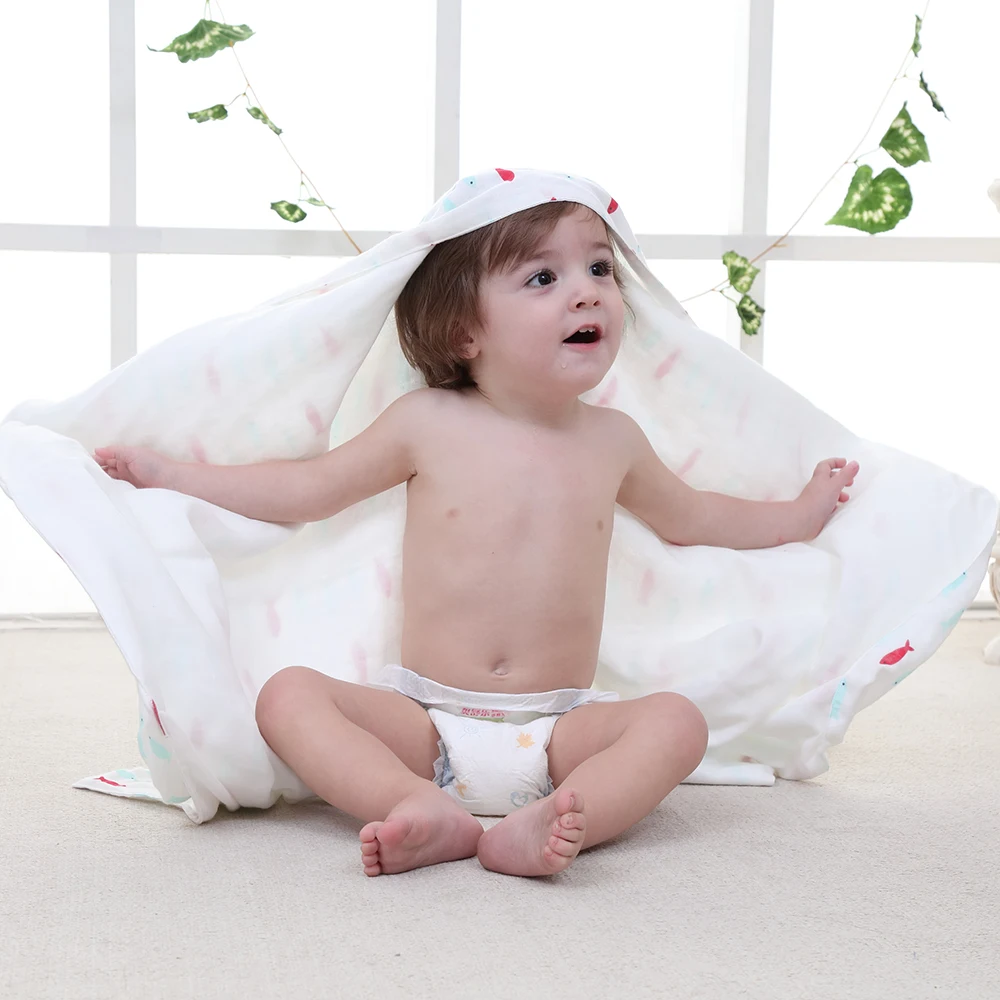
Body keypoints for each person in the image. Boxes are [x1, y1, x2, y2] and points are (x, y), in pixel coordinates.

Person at [93, 199, 858, 877]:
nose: (588, 290)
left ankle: (556, 821)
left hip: (562, 731)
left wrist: (799, 515)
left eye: (599, 268)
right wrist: (172, 475)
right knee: (288, 696)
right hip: (424, 722)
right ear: (464, 331)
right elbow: (307, 489)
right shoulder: (427, 423)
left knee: (676, 724)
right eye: (543, 277)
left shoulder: (613, 440)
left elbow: (694, 518)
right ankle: (413, 804)